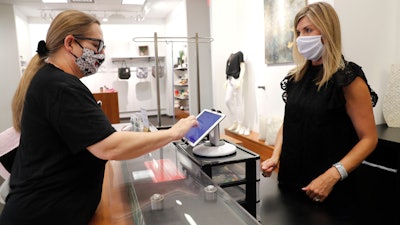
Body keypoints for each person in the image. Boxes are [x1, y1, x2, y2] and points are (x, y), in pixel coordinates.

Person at [0, 10, 198, 225]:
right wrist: (173, 132)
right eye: (97, 46)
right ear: (70, 43)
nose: (101, 54)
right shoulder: (60, 86)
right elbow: (108, 147)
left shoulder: (52, 81)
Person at [260, 2, 378, 223]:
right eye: (298, 32)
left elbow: (369, 139)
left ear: (327, 31)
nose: (300, 38)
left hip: (330, 193)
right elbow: (290, 122)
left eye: (308, 30)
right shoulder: (297, 78)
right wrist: (276, 156)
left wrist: (333, 175)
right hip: (291, 184)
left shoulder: (348, 78)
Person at [225, 51, 248, 135]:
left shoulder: (239, 54)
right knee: (227, 100)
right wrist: (227, 81)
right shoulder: (230, 56)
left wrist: (240, 80)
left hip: (237, 79)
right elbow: (228, 69)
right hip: (230, 80)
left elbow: (243, 67)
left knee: (239, 103)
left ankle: (240, 124)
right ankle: (234, 122)